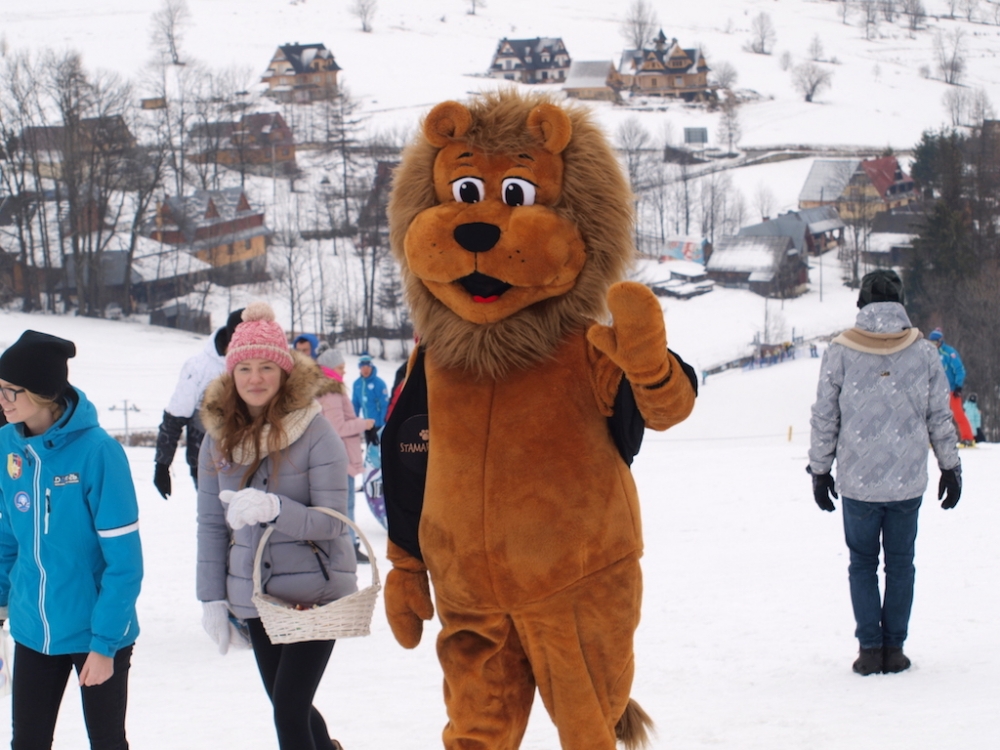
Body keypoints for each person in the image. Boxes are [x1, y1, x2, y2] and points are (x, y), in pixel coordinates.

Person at [196, 302, 355, 750]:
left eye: (266, 366)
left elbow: (334, 522)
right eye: (244, 368)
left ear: (284, 371)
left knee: (288, 710)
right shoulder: (217, 438)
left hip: (315, 594)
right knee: (291, 706)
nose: (255, 378)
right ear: (231, 373)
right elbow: (210, 523)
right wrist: (211, 597)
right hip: (258, 596)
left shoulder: (316, 432)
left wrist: (274, 508)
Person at [809, 270, 961, 676]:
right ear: (901, 303)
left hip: (858, 482)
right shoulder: (924, 352)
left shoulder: (840, 351)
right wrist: (950, 466)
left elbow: (826, 415)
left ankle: (869, 649)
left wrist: (820, 470)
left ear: (861, 304)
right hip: (906, 482)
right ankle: (894, 649)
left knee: (862, 564)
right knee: (900, 564)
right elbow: (939, 415)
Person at [0, 330, 143, 749]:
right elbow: (8, 534)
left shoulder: (98, 453)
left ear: (43, 393)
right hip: (33, 629)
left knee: (106, 742)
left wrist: (105, 645)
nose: (1, 399)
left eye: (11, 390)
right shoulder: (7, 445)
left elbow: (125, 563)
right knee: (27, 742)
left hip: (94, 631)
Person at [153, 308, 244, 498]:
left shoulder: (263, 368)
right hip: (207, 463)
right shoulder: (199, 367)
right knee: (216, 514)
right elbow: (175, 417)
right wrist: (162, 464)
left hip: (252, 462)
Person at [316, 348, 374, 564]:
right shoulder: (331, 392)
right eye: (340, 367)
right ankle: (348, 547)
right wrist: (364, 424)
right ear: (330, 369)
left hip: (336, 456)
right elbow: (337, 427)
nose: (344, 371)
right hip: (341, 457)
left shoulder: (327, 389)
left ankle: (344, 546)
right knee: (346, 504)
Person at [928, 327, 976, 446]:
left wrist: (958, 386)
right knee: (934, 416)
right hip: (936, 391)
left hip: (951, 389)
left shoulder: (949, 352)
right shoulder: (929, 353)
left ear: (940, 341)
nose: (933, 345)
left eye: (935, 342)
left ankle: (968, 438)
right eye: (931, 342)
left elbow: (959, 370)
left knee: (958, 414)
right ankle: (933, 440)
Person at [350, 354, 389, 451]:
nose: (365, 370)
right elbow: (355, 404)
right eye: (363, 367)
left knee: (380, 450)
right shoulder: (357, 384)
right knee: (370, 449)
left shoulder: (379, 383)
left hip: (379, 424)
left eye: (368, 367)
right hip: (366, 424)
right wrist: (353, 421)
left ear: (372, 367)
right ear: (359, 368)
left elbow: (384, 405)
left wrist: (382, 425)